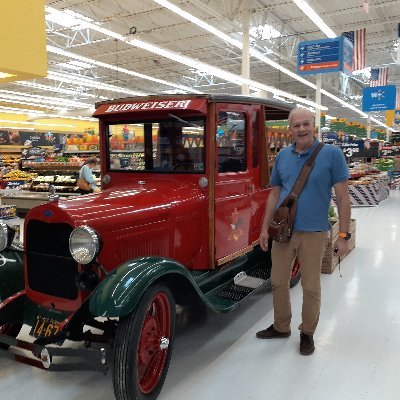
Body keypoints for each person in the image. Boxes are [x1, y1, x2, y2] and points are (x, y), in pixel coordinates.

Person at [256, 107, 351, 356]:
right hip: (283, 231)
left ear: (314, 126)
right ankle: (281, 326)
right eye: (296, 125)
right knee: (278, 282)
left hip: (314, 232)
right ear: (290, 129)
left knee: (310, 286)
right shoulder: (283, 157)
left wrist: (343, 235)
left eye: (306, 124)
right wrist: (264, 228)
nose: (301, 129)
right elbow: (274, 193)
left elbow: (342, 197)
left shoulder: (332, 154)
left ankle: (307, 332)